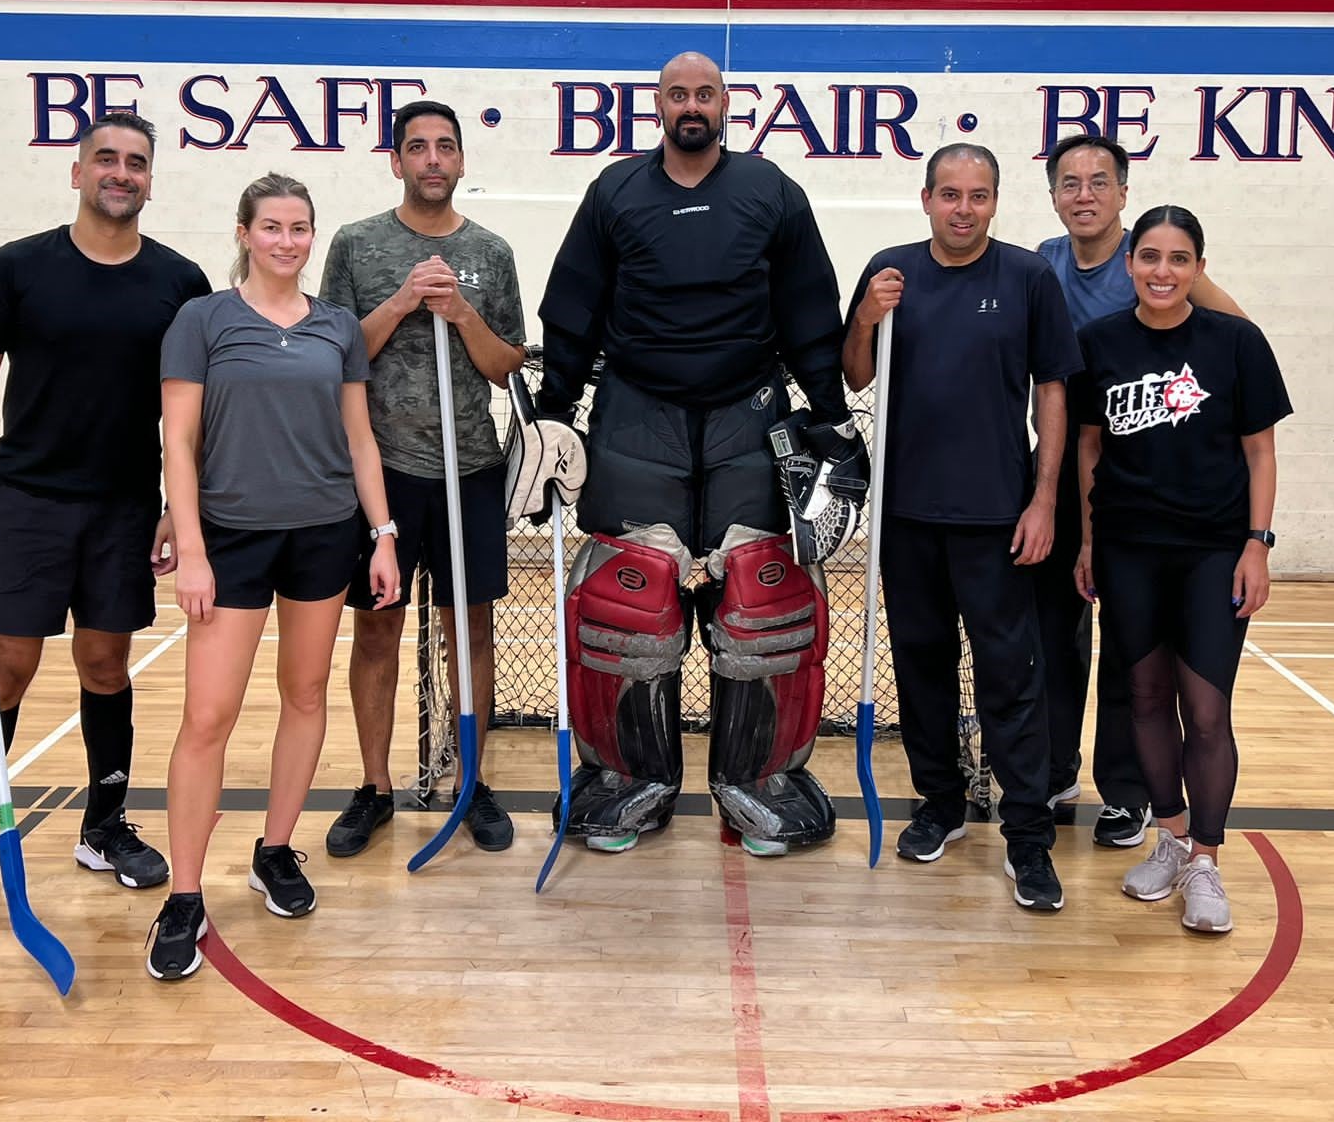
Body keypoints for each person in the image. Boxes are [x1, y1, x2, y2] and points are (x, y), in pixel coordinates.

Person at [537, 50, 860, 857]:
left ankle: (759, 784)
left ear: (726, 104)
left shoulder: (771, 192)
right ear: (657, 106)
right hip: (635, 415)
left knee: (763, 605)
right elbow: (573, 306)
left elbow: (809, 309)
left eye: (705, 94)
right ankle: (626, 782)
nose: (692, 105)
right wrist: (554, 416)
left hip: (747, 414)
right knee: (627, 604)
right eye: (677, 94)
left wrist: (828, 416)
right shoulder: (615, 190)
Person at [0, 112, 209, 935]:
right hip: (27, 503)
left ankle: (103, 826)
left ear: (151, 181)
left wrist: (173, 507)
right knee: (4, 669)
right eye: (107, 160)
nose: (123, 173)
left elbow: (188, 411)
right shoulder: (15, 269)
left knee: (106, 665)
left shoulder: (178, 283)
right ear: (77, 172)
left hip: (122, 507)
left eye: (138, 163)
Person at [145, 174, 401, 981]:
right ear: (244, 232)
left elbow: (360, 441)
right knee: (208, 717)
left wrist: (383, 535)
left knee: (304, 693)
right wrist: (191, 547)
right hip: (231, 539)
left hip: (325, 534)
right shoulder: (203, 320)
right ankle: (185, 894)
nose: (287, 241)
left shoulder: (335, 327)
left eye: (300, 228)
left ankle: (276, 849)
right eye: (272, 227)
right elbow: (178, 444)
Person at [842, 144, 1076, 911]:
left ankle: (1028, 840)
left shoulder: (1029, 279)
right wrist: (868, 316)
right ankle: (939, 807)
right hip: (906, 517)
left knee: (1013, 680)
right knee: (923, 672)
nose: (963, 208)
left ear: (996, 201)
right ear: (926, 198)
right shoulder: (890, 271)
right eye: (950, 194)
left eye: (978, 195)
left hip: (999, 520)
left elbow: (1052, 393)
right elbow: (854, 374)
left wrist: (1044, 500)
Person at [1072, 205, 1291, 934]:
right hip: (1130, 546)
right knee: (1142, 695)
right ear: (1129, 263)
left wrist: (1257, 543)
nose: (1162, 271)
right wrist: (1089, 541)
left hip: (1213, 550)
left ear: (1199, 266)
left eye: (1178, 258)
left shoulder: (1236, 344)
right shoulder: (1099, 343)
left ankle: (1207, 860)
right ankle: (1168, 836)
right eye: (1149, 257)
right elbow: (1090, 450)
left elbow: (1260, 452)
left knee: (1204, 709)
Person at [318, 100, 527, 858]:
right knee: (378, 629)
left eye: (446, 147)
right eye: (418, 147)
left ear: (463, 162)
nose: (433, 159)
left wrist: (462, 313)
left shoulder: (492, 252)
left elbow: (506, 368)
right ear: (397, 161)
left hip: (470, 469)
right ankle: (374, 787)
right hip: (382, 474)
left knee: (469, 628)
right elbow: (338, 355)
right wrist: (404, 300)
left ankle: (473, 781)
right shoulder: (357, 245)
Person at [1032, 133, 1246, 850]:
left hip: (1142, 491)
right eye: (1070, 182)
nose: (1084, 193)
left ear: (1124, 192)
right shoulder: (1043, 263)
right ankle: (1054, 771)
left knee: (1135, 653)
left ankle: (1126, 793)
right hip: (1065, 472)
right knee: (1055, 636)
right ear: (1056, 194)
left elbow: (1234, 341)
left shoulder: (1152, 261)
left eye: (1099, 181)